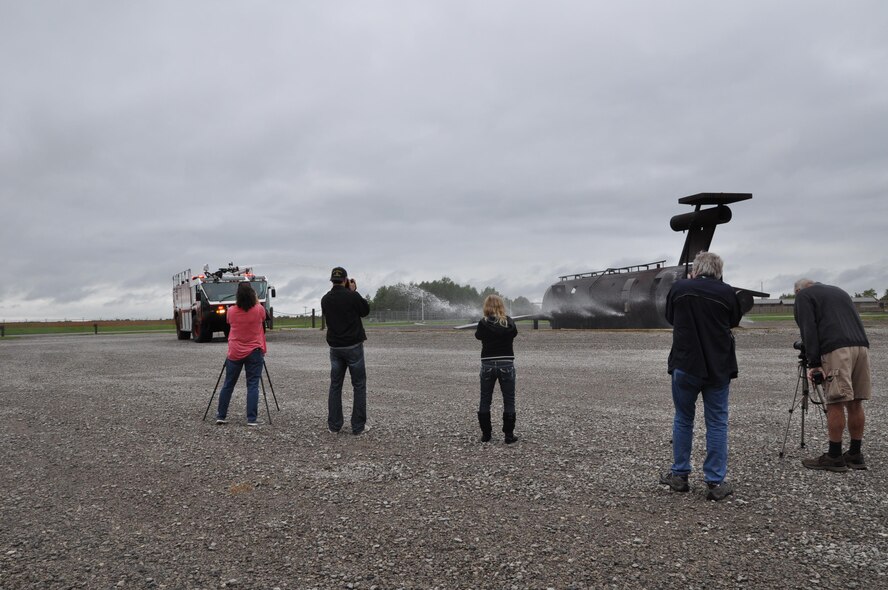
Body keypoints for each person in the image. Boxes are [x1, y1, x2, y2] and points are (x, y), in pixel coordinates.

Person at [659, 251, 742, 501]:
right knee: (717, 422)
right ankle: (715, 482)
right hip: (718, 364)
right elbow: (733, 321)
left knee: (683, 418)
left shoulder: (679, 288)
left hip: (685, 362)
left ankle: (680, 475)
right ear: (718, 271)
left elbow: (670, 318)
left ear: (696, 269)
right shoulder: (727, 292)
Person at [794, 279, 872, 472]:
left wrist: (814, 363)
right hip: (861, 347)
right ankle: (855, 454)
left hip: (837, 349)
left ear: (798, 290)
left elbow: (808, 329)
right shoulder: (840, 291)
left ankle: (834, 456)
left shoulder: (804, 295)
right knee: (855, 402)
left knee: (835, 401)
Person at [321, 266, 371, 435]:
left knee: (335, 385)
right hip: (353, 346)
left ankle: (334, 425)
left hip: (335, 347)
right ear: (345, 280)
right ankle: (358, 426)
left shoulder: (325, 299)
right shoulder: (352, 296)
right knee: (358, 385)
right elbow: (365, 311)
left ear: (332, 281)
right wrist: (354, 291)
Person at [216, 282, 267, 426]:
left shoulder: (231, 311)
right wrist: (256, 301)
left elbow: (229, 321)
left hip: (235, 351)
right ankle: (251, 418)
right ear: (253, 294)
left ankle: (221, 415)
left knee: (228, 384)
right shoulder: (259, 309)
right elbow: (263, 318)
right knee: (252, 385)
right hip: (254, 351)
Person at [475, 294, 519, 444]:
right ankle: (508, 435)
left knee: (485, 399)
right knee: (509, 399)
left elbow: (478, 336)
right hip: (506, 363)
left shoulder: (483, 323)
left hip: (487, 364)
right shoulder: (508, 322)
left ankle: (486, 434)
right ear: (501, 306)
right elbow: (514, 333)